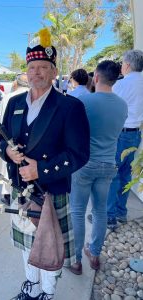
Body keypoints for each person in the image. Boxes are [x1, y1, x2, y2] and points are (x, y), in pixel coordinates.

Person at [0, 28, 90, 300]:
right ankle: (31, 287)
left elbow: (79, 154)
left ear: (53, 71)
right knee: (28, 245)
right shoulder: (14, 102)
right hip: (20, 188)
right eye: (32, 67)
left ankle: (47, 293)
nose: (36, 72)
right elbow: (1, 142)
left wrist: (42, 169)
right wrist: (8, 154)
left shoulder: (69, 107)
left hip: (51, 191)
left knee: (50, 246)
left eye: (43, 67)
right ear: (26, 70)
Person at [69, 60, 128, 275]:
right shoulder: (122, 105)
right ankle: (94, 254)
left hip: (84, 164)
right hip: (108, 164)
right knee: (100, 210)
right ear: (115, 79)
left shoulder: (86, 102)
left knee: (77, 210)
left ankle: (75, 261)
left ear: (96, 77)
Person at [106, 50, 143, 229]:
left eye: (122, 62)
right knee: (126, 173)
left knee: (113, 174)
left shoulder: (120, 85)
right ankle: (122, 212)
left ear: (127, 65)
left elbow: (109, 108)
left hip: (120, 133)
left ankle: (110, 216)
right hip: (136, 134)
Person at [0, 73, 29, 206]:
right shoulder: (12, 99)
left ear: (17, 83)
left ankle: (7, 193)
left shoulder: (9, 97)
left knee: (7, 166)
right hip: (10, 143)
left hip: (9, 140)